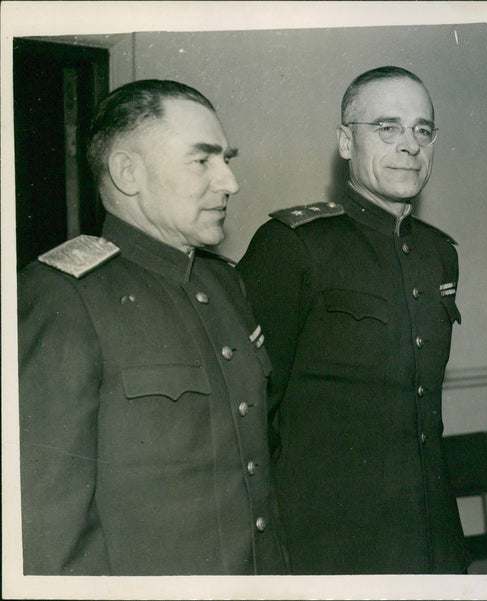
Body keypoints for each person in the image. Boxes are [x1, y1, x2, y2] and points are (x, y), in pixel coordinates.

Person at [17, 79, 287, 575]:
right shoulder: (62, 296)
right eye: (202, 160)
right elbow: (45, 535)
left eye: (227, 159)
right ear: (127, 172)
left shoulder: (225, 283)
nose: (230, 182)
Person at [237, 66, 467, 574]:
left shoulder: (438, 253)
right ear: (345, 141)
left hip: (430, 534)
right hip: (330, 539)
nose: (410, 145)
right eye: (388, 128)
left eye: (422, 130)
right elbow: (254, 410)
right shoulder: (294, 244)